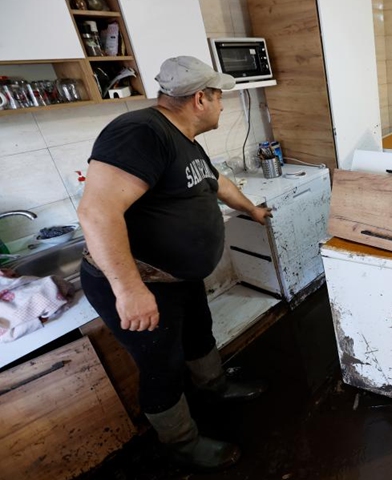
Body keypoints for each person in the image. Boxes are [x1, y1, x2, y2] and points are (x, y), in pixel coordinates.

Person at [78, 56, 270, 471]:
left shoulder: (182, 138)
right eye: (220, 98)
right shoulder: (140, 132)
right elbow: (97, 212)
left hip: (177, 277)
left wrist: (251, 209)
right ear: (201, 98)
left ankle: (215, 387)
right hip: (142, 281)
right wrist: (129, 291)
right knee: (160, 367)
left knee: (199, 335)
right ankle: (182, 443)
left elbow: (215, 182)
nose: (223, 106)